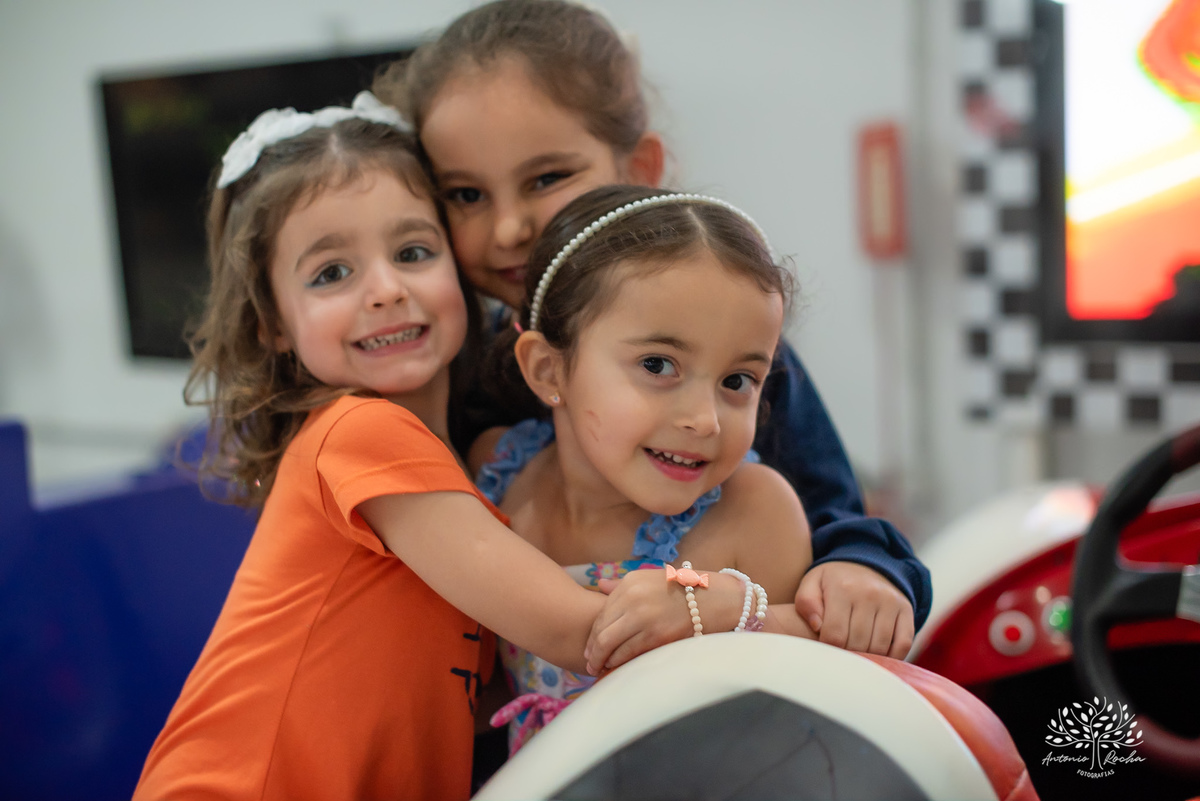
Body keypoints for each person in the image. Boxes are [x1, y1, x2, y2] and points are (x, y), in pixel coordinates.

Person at [133, 93, 760, 801]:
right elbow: (573, 634)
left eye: (412, 251)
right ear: (271, 324)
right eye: (331, 272)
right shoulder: (358, 432)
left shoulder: (473, 466)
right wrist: (744, 607)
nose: (386, 290)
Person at [372, 0, 931, 656]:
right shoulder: (459, 370)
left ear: (638, 168)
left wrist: (864, 569)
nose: (508, 228)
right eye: (466, 195)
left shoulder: (732, 356)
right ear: (543, 368)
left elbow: (832, 516)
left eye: (547, 177)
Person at [467, 183, 820, 753]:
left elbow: (824, 696)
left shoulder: (755, 511)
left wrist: (735, 610)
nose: (705, 420)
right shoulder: (497, 474)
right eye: (659, 365)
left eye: (737, 381)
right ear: (548, 370)